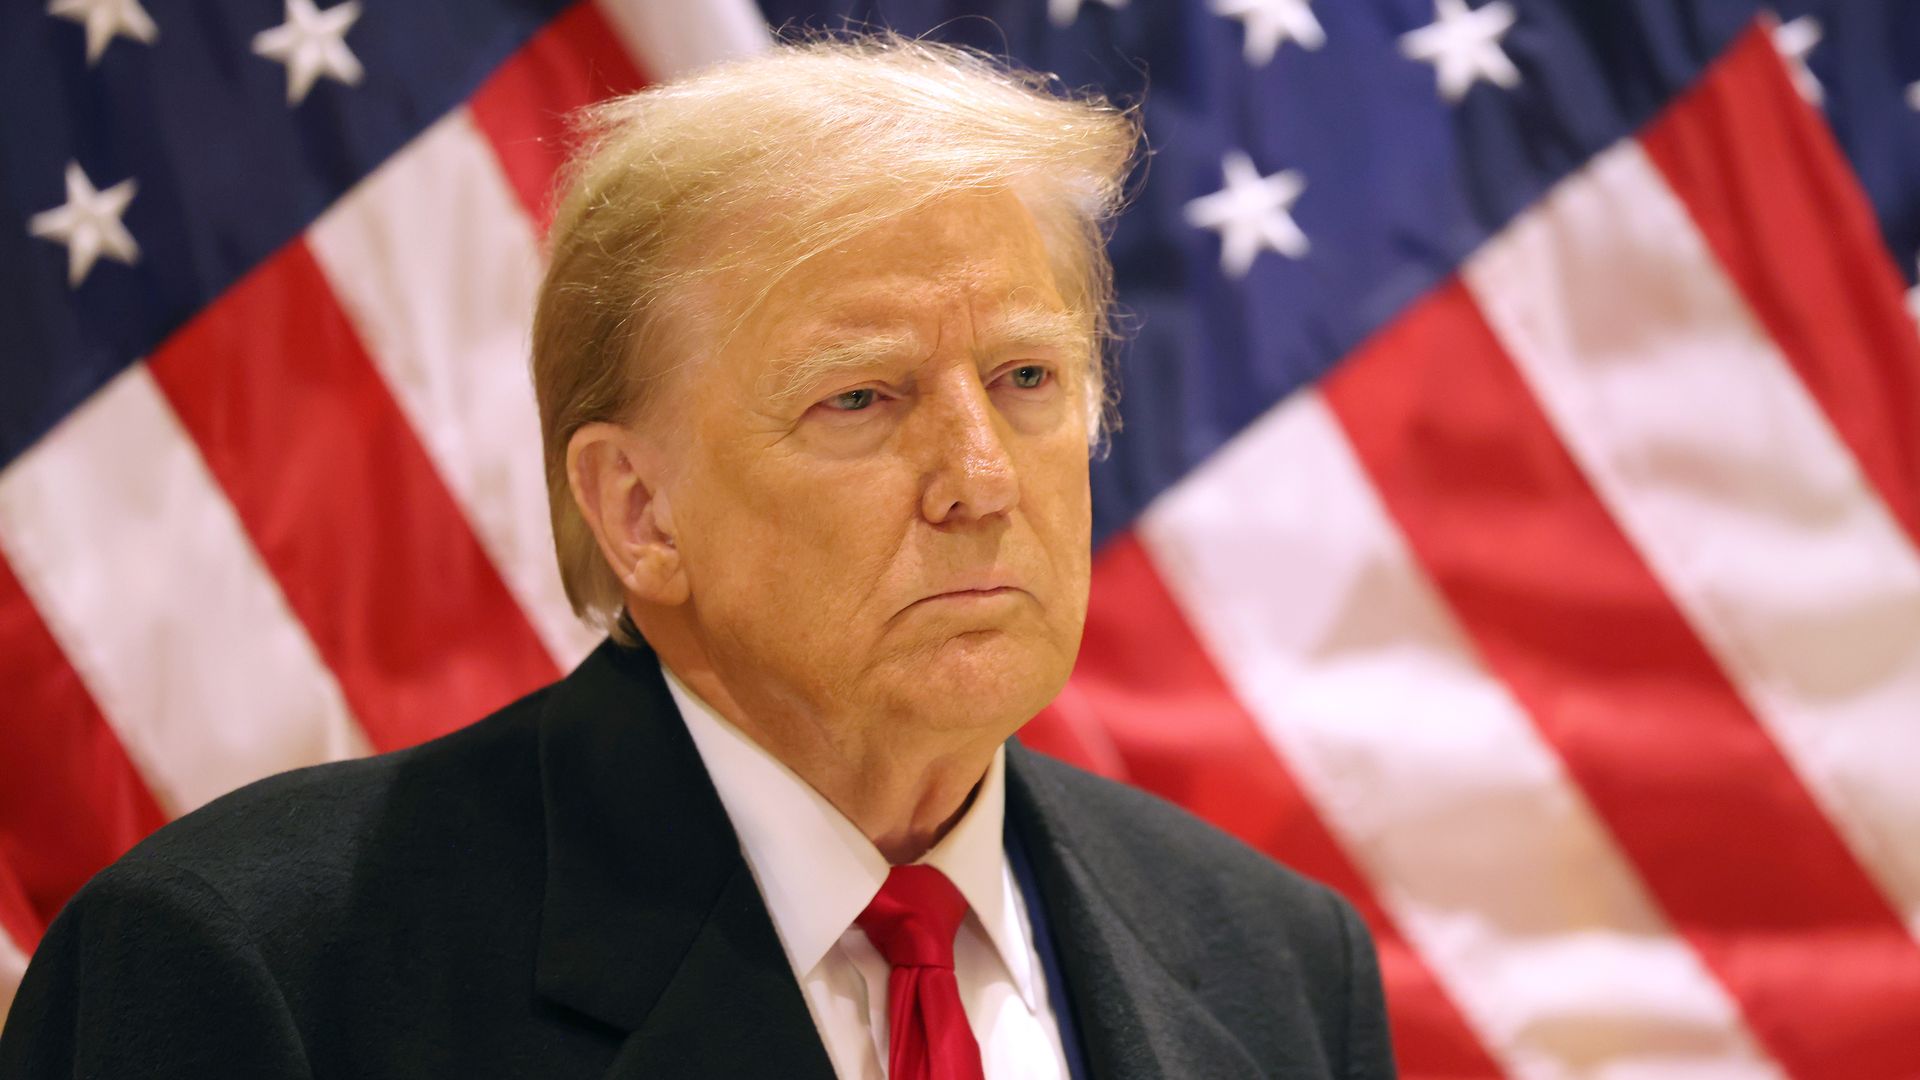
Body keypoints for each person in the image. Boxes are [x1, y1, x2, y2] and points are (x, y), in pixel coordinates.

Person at [0, 34, 1393, 1080]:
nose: (980, 478)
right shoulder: (255, 974)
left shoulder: (1276, 964)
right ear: (638, 511)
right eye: (862, 398)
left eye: (1028, 377)